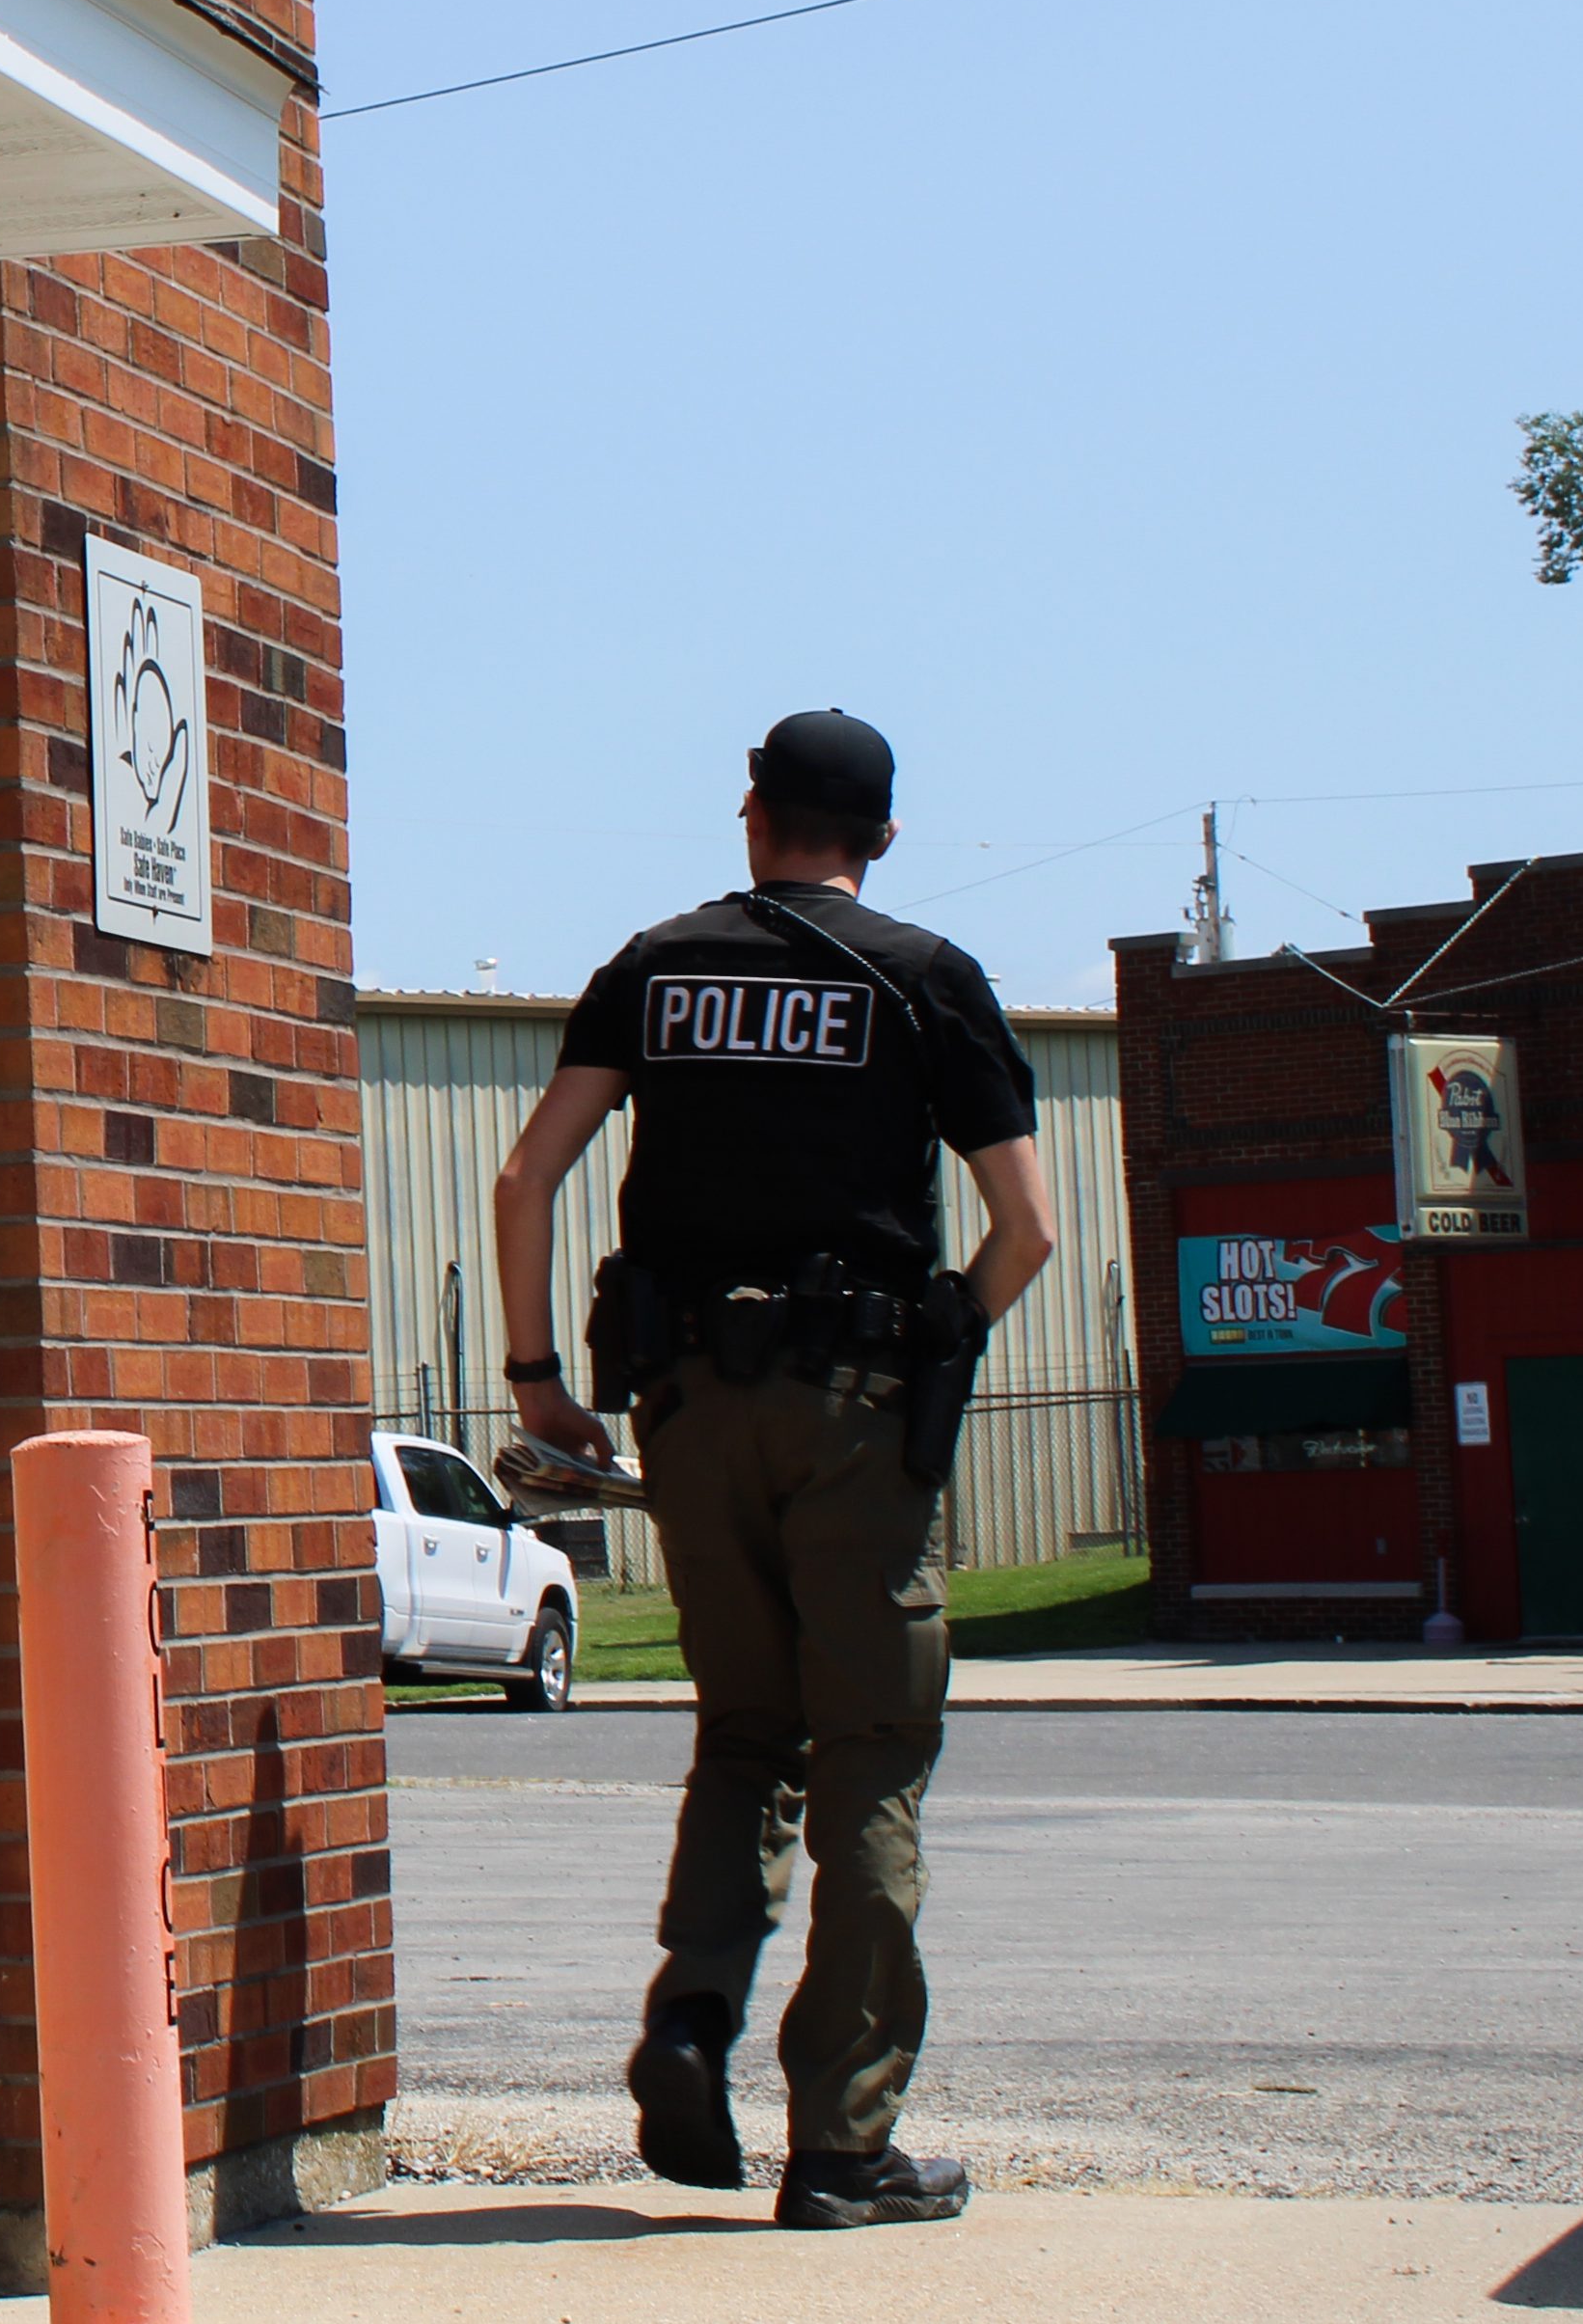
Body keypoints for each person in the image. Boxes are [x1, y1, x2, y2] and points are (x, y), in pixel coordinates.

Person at [488, 710, 1055, 2231]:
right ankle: (843, 2146)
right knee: (870, 1747)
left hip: (686, 1405)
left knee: (744, 1733)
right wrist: (942, 1341)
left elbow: (527, 1172)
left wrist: (540, 1382)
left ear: (750, 814)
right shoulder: (928, 980)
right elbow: (1029, 1231)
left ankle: (689, 2021)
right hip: (857, 1403)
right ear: (879, 833)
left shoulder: (657, 966)